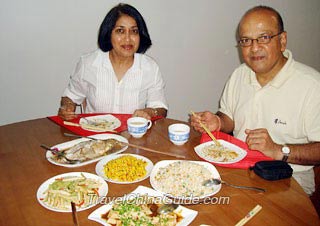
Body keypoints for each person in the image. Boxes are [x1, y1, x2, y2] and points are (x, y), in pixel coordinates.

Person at [191, 6, 320, 195]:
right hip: (238, 170)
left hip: (289, 182)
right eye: (246, 41)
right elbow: (229, 117)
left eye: (264, 38)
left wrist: (279, 150)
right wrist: (218, 122)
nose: (254, 47)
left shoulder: (312, 85)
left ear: (282, 40)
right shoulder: (240, 74)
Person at [58, 3, 168, 121]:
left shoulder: (150, 68)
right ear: (109, 33)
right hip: (96, 135)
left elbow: (160, 108)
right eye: (120, 31)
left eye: (134, 31)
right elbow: (70, 97)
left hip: (133, 136)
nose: (128, 38)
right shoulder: (88, 63)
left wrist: (150, 112)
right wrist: (67, 107)